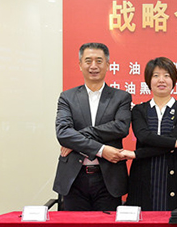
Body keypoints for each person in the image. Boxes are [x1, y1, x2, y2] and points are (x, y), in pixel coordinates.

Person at [53, 42, 132, 211]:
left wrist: (77, 137)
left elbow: (121, 127)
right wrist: (101, 150)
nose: (93, 66)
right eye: (88, 61)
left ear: (108, 65)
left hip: (108, 178)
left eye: (99, 61)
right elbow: (63, 133)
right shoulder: (67, 97)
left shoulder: (121, 97)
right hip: (74, 178)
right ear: (80, 65)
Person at [124, 57, 177, 211]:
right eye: (156, 75)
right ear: (148, 80)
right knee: (142, 222)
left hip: (172, 173)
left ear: (173, 80)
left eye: (166, 75)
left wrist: (137, 154)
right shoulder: (139, 110)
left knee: (172, 221)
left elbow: (174, 139)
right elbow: (144, 136)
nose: (161, 80)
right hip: (143, 174)